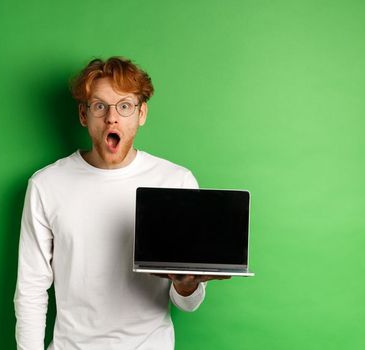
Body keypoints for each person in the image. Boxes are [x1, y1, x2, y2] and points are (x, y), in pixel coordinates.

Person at [14, 57, 229, 350]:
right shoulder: (46, 185)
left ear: (141, 114)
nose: (112, 118)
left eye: (125, 106)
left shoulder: (175, 180)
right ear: (83, 114)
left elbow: (187, 303)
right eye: (100, 106)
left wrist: (187, 283)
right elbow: (31, 290)